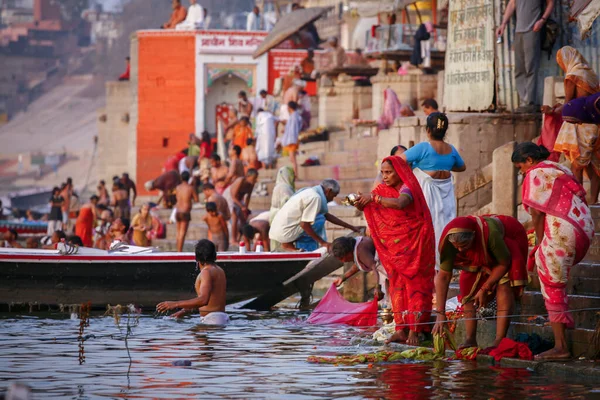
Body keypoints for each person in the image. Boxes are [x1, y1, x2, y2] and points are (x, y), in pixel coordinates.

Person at [512, 142, 594, 360]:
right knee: (554, 276)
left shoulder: (535, 173)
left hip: (564, 231)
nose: (521, 172)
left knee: (551, 282)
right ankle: (562, 329)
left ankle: (561, 347)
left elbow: (538, 215)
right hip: (583, 226)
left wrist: (540, 243)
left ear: (529, 161)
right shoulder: (558, 168)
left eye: (520, 167)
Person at [354, 156, 435, 345]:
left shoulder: (409, 187)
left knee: (416, 285)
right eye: (382, 173)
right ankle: (401, 328)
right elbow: (376, 207)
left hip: (416, 243)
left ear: (400, 172)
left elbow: (401, 203)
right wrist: (363, 204)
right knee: (397, 285)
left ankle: (416, 329)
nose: (385, 177)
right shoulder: (382, 190)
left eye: (389, 172)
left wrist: (373, 198)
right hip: (395, 250)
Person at [434, 214, 529, 349]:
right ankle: (470, 339)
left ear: (473, 236)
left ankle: (499, 340)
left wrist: (485, 288)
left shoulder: (490, 236)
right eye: (456, 247)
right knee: (466, 286)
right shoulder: (449, 244)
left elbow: (503, 263)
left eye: (464, 245)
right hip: (480, 249)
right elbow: (443, 277)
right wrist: (440, 313)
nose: (460, 250)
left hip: (507, 240)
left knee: (504, 284)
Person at [400, 112, 466, 268]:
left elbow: (399, 160)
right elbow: (462, 166)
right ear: (445, 131)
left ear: (427, 130)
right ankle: (443, 262)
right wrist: (446, 166)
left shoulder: (424, 147)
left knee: (429, 227)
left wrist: (414, 167)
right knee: (445, 225)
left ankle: (430, 265)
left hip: (427, 192)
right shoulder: (451, 149)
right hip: (446, 192)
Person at [552, 46, 600, 203]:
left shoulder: (572, 76)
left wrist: (552, 110)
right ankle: (593, 201)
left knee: (577, 165)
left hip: (579, 125)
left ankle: (580, 202)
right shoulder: (591, 74)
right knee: (595, 166)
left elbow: (568, 104)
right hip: (594, 124)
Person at [270, 179, 360, 251]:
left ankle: (288, 244)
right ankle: (291, 244)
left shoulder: (310, 191)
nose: (332, 199)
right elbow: (304, 224)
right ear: (328, 191)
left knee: (320, 215)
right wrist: (323, 243)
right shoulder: (315, 197)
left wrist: (351, 227)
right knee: (319, 218)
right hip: (284, 233)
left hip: (277, 230)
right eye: (333, 195)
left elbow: (327, 215)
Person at [496, 0, 554, 112]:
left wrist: (542, 20)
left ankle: (530, 102)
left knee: (530, 67)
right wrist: (503, 24)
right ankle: (524, 101)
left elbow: (551, 3)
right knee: (519, 69)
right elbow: (512, 4)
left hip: (533, 30)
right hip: (519, 31)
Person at [157, 240, 228, 325]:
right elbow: (213, 300)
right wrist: (184, 311)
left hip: (212, 320)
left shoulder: (206, 272)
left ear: (197, 258)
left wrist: (175, 304)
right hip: (221, 318)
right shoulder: (219, 270)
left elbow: (203, 300)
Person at [331, 236, 388, 304]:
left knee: (388, 301)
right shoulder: (356, 244)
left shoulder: (361, 252)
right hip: (384, 270)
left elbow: (374, 267)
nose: (343, 261)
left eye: (341, 258)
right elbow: (359, 264)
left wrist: (377, 287)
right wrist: (343, 277)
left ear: (348, 253)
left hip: (388, 269)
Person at [223, 169, 258, 245]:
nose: (255, 180)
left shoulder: (252, 184)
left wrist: (245, 208)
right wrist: (242, 206)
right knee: (234, 217)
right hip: (230, 197)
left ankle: (239, 238)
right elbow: (233, 196)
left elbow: (248, 197)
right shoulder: (240, 180)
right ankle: (233, 239)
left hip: (238, 199)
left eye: (256, 178)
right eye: (254, 178)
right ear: (248, 176)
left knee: (243, 219)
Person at [175, 171, 198, 252]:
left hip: (177, 212)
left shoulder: (178, 187)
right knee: (182, 233)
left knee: (178, 233)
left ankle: (178, 250)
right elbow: (196, 199)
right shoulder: (190, 188)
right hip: (185, 212)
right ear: (189, 178)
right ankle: (179, 251)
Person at [282, 101, 303, 177]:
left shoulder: (294, 116)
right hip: (291, 139)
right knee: (292, 158)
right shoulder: (294, 116)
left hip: (292, 140)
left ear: (290, 108)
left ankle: (295, 175)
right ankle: (295, 174)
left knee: (292, 158)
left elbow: (293, 130)